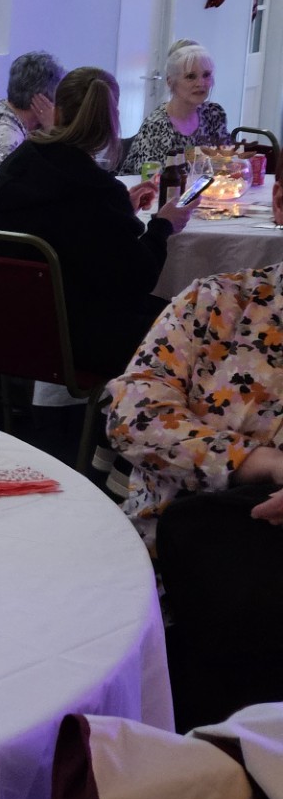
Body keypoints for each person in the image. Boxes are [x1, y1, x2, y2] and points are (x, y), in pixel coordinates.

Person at [104, 172, 283, 553]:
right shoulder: (215, 302)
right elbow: (134, 417)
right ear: (280, 203)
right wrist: (261, 462)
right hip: (172, 553)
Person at [0, 67, 193, 378]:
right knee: (191, 317)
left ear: (58, 110)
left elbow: (66, 231)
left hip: (4, 322)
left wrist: (121, 211)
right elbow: (137, 278)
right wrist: (163, 225)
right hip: (76, 337)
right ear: (111, 121)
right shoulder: (96, 189)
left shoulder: (20, 162)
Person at [121, 39, 231, 171]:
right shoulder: (157, 125)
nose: (201, 83)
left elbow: (226, 162)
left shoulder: (214, 113)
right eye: (191, 76)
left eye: (206, 75)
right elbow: (151, 179)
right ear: (170, 82)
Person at [0, 50, 64, 190]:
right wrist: (53, 134)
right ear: (42, 98)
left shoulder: (27, 123)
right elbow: (14, 189)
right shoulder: (3, 133)